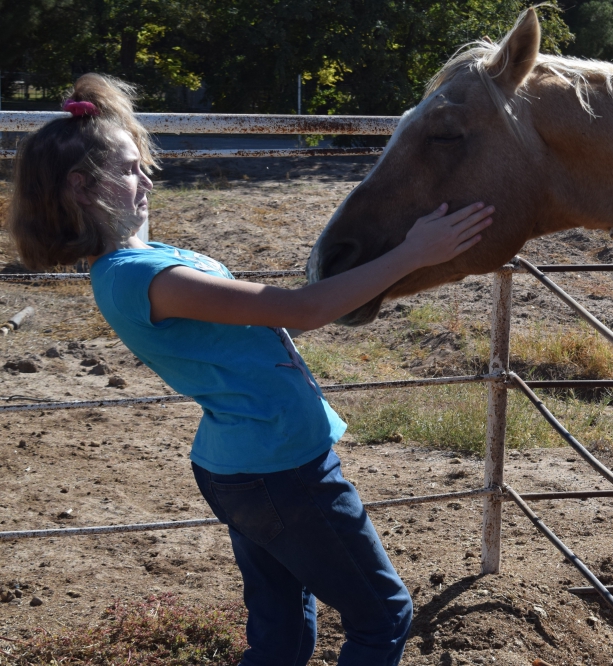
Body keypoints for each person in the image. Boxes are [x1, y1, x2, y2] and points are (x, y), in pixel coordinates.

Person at [7, 73, 494, 666]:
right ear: (82, 186)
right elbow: (301, 309)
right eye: (131, 167)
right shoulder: (140, 278)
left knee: (283, 629)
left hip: (248, 465)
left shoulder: (141, 261)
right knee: (382, 616)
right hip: (281, 470)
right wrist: (414, 253)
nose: (148, 176)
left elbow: (260, 298)